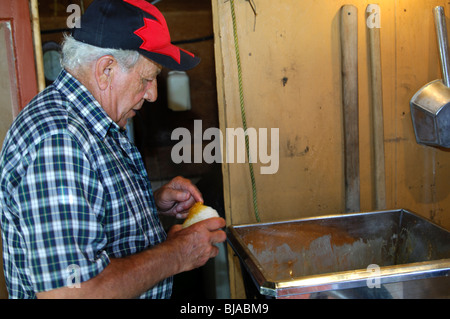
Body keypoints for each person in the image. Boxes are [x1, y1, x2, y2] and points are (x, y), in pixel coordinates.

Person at [0, 0, 226, 299]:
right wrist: (177, 254)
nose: (153, 94)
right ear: (106, 69)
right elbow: (72, 293)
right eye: (147, 79)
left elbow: (87, 207)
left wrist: (150, 203)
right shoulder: (59, 140)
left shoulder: (92, 120)